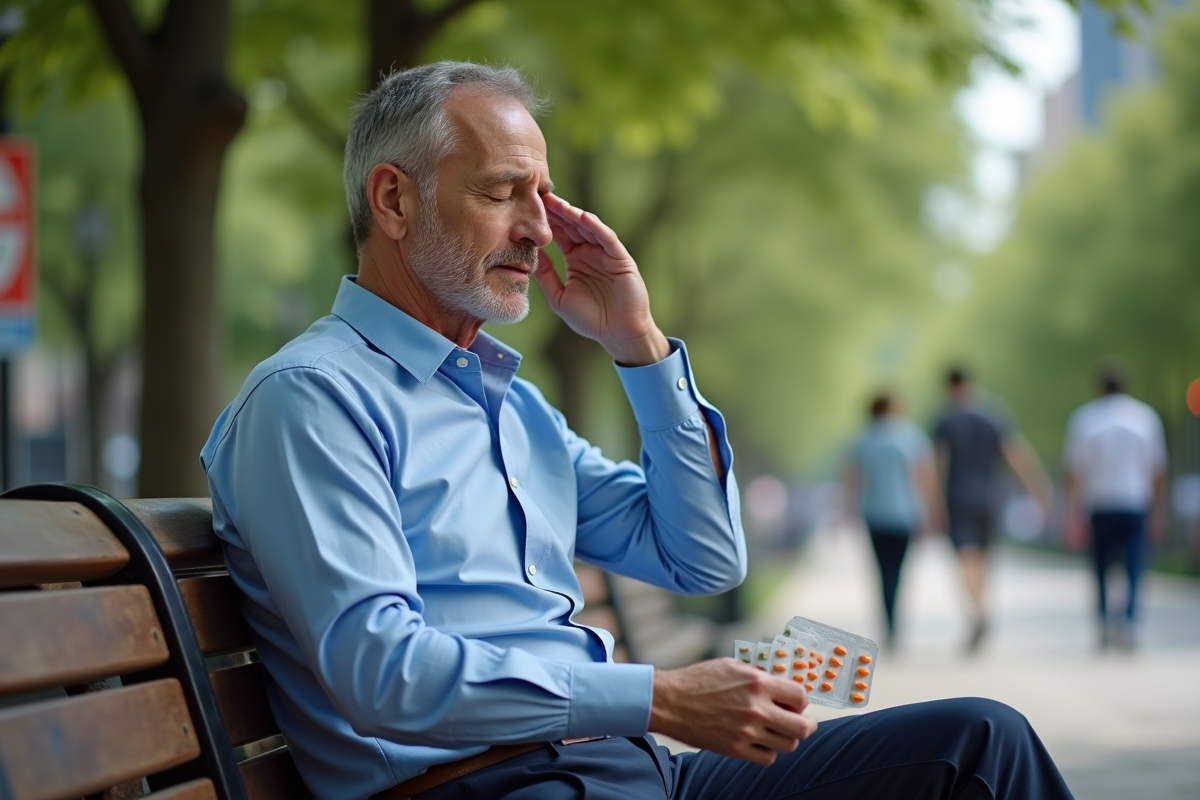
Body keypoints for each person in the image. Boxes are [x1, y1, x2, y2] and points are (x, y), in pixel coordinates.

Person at [201, 62, 1077, 800]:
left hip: (631, 774)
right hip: (489, 789)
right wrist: (655, 697)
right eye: (504, 193)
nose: (540, 229)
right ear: (393, 201)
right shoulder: (313, 400)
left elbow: (704, 558)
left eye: (542, 197)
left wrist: (640, 346)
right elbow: (381, 672)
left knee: (981, 749)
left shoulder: (513, 407)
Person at [933, 367, 1053, 653]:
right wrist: (1038, 489)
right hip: (989, 498)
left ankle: (978, 612)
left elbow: (936, 463)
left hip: (958, 500)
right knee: (984, 559)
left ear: (950, 387)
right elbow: (1015, 453)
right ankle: (981, 609)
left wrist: (933, 504)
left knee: (966, 559)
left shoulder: (945, 419)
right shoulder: (994, 415)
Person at [1063, 365, 1168, 651]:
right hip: (1135, 502)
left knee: (1100, 568)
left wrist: (1072, 512)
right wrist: (1159, 511)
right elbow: (1157, 469)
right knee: (1134, 566)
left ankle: (1104, 624)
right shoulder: (1145, 417)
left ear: (1098, 387)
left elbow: (1076, 470)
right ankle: (1129, 622)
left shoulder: (1085, 419)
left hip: (1099, 504)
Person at [842, 391, 943, 648]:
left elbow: (854, 478)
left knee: (881, 571)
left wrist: (848, 509)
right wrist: (933, 511)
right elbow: (924, 477)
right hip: (904, 514)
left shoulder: (863, 440)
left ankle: (888, 624)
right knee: (898, 572)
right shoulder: (911, 437)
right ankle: (895, 624)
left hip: (874, 515)